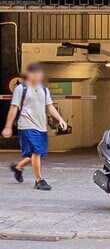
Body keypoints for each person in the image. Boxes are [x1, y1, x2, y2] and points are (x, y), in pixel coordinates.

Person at [3, 62, 71, 191]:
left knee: (36, 153)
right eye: (35, 73)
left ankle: (17, 167)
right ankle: (39, 180)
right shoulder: (21, 89)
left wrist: (60, 119)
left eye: (39, 73)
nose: (38, 76)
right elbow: (14, 107)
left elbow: (49, 106)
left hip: (41, 127)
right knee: (37, 151)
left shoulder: (44, 89)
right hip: (26, 125)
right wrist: (8, 126)